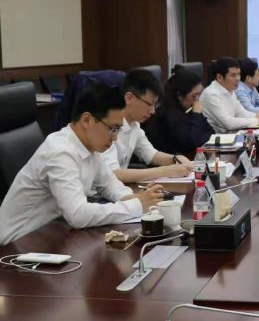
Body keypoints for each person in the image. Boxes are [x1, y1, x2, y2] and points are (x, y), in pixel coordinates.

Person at [0, 85, 163, 245]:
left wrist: (132, 198)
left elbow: (108, 184)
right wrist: (136, 205)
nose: (115, 138)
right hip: (16, 244)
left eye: (118, 130)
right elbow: (78, 215)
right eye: (112, 129)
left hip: (50, 234)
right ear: (87, 120)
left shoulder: (90, 146)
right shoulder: (60, 152)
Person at [102, 69, 195, 183]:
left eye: (155, 105)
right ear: (129, 98)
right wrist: (165, 171)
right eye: (149, 104)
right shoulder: (106, 126)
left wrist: (175, 158)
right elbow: (114, 174)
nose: (152, 111)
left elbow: (151, 154)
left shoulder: (134, 124)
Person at [146, 68, 215, 155]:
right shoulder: (168, 115)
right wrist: (196, 115)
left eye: (200, 94)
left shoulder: (187, 110)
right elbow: (191, 142)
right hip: (170, 160)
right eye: (194, 96)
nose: (197, 100)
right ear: (179, 95)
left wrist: (199, 137)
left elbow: (211, 133)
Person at [200, 57, 259, 133]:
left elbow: (241, 112)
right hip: (217, 137)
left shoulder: (230, 89)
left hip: (230, 135)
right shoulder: (211, 94)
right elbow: (228, 123)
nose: (238, 79)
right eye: (233, 75)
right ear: (219, 77)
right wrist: (257, 120)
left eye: (239, 74)